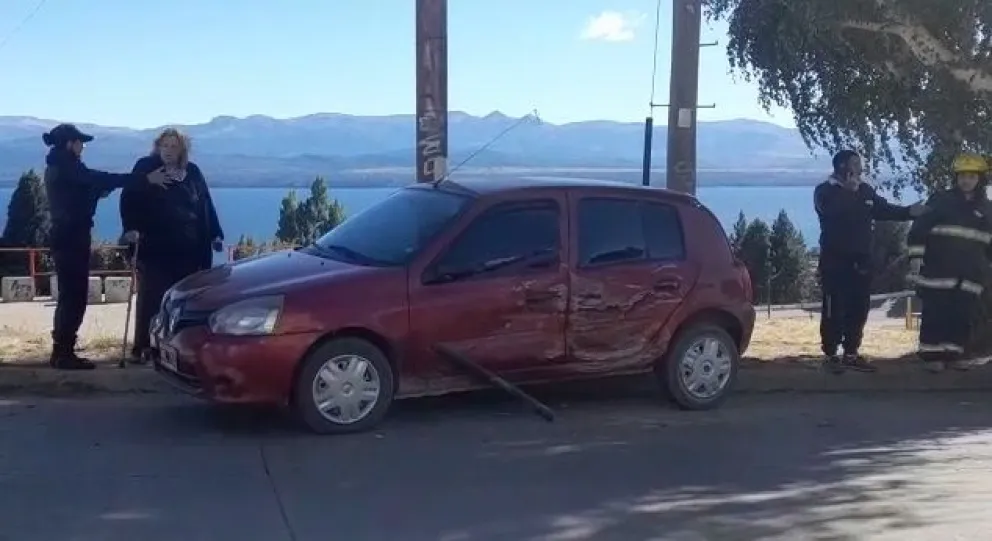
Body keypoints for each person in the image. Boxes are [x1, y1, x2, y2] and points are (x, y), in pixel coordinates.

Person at [42, 123, 171, 370]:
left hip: (69, 236)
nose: (83, 146)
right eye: (80, 142)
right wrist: (144, 179)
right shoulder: (65, 168)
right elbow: (96, 179)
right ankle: (62, 353)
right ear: (70, 143)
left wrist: (101, 189)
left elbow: (91, 186)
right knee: (73, 296)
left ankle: (63, 349)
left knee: (73, 295)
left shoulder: (63, 166)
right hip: (71, 237)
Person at [813, 150, 927, 373]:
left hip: (862, 262)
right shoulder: (824, 191)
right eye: (856, 164)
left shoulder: (865, 190)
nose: (860, 168)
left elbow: (883, 209)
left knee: (859, 308)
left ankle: (852, 353)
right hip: (834, 263)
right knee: (834, 308)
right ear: (842, 166)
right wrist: (848, 192)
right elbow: (829, 211)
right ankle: (830, 356)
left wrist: (910, 212)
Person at [120, 128, 224, 361]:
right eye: (164, 146)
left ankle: (176, 347)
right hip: (156, 247)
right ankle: (144, 347)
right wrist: (131, 228)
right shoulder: (146, 167)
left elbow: (205, 204)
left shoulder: (192, 172)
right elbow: (129, 198)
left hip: (189, 248)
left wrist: (215, 233)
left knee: (185, 299)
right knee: (152, 298)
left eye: (173, 146)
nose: (167, 151)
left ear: (182, 150)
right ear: (157, 147)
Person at [907, 153, 992, 372]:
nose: (966, 180)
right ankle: (931, 357)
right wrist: (916, 258)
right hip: (938, 270)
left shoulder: (987, 208)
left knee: (962, 315)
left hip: (970, 274)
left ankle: (956, 355)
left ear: (980, 179)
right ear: (956, 177)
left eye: (972, 176)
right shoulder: (940, 200)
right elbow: (919, 230)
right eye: (962, 175)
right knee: (936, 312)